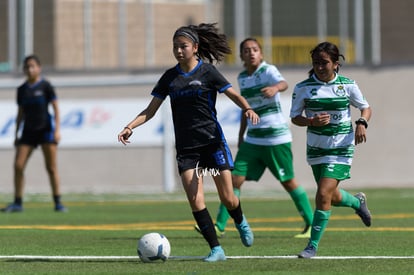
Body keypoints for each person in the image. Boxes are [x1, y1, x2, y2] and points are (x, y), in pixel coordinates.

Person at [117, 23, 259, 262]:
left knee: (228, 197)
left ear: (195, 47)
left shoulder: (208, 72)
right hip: (187, 149)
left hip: (212, 145)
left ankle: (240, 220)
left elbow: (233, 94)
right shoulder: (170, 77)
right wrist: (130, 126)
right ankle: (216, 249)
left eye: (183, 46)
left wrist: (247, 108)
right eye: (175, 47)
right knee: (195, 199)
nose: (179, 51)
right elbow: (150, 110)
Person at [195, 37, 314, 239]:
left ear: (261, 53)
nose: (251, 53)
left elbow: (283, 83)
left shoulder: (268, 70)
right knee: (234, 180)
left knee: (288, 182)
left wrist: (275, 88)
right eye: (247, 50)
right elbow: (245, 108)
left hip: (276, 138)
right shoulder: (242, 78)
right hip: (253, 140)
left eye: (255, 49)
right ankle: (220, 226)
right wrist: (241, 135)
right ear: (241, 55)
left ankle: (312, 224)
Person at [290, 42, 372, 258]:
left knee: (323, 194)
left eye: (324, 63)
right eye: (316, 63)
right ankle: (357, 202)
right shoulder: (303, 88)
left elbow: (365, 107)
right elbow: (295, 118)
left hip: (341, 148)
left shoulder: (348, 85)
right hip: (317, 149)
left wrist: (362, 122)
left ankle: (311, 247)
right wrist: (311, 121)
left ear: (336, 64)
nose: (319, 67)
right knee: (331, 196)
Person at [1, 55, 67, 213]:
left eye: (32, 66)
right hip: (28, 132)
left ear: (39, 68)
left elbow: (56, 109)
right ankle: (17, 202)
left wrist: (57, 130)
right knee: (18, 166)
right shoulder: (22, 90)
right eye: (26, 67)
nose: (29, 69)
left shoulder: (46, 86)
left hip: (45, 131)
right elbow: (20, 113)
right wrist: (16, 134)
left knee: (51, 167)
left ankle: (58, 202)